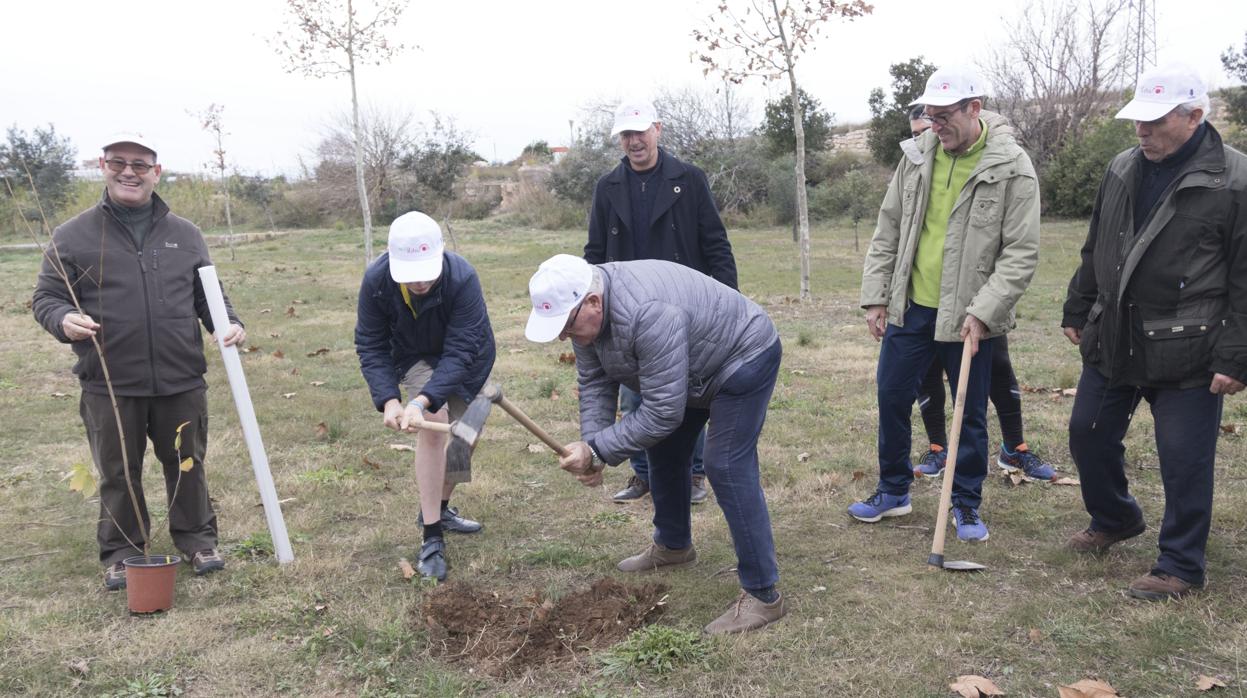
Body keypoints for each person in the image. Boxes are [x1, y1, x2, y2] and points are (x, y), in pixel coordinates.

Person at [1061, 64, 1247, 601]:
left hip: (1190, 345)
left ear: (1194, 117)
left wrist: (1236, 354)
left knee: (1184, 457)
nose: (1141, 131)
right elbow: (1098, 242)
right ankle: (1115, 517)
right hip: (1115, 335)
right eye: (1137, 120)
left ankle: (1180, 565)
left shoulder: (1235, 180)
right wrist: (1078, 303)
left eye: (1155, 121)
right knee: (1087, 434)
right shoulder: (1122, 167)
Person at [526, 254, 783, 634]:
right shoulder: (583, 315)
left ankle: (763, 594)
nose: (564, 336)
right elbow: (596, 384)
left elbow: (663, 411)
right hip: (692, 367)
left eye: (566, 325)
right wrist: (592, 448)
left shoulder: (647, 313)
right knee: (662, 448)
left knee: (725, 464)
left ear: (593, 302)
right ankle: (674, 546)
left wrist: (599, 450)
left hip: (743, 355)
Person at [32, 134, 244, 590]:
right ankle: (124, 551)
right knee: (117, 469)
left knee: (187, 460)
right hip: (109, 380)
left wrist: (229, 323)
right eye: (118, 163)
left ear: (156, 171)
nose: (129, 172)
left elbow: (209, 294)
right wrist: (63, 317)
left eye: (140, 164)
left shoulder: (185, 234)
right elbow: (46, 297)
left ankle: (197, 540)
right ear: (103, 166)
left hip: (180, 376)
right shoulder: (72, 235)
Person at [853, 66, 1040, 542]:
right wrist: (876, 296)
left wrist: (986, 311)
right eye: (929, 117)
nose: (934, 126)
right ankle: (894, 490)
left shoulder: (1012, 167)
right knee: (892, 396)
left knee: (969, 413)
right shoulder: (916, 158)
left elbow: (1021, 252)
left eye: (942, 117)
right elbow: (888, 228)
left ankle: (965, 503)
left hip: (970, 316)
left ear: (974, 108)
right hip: (912, 307)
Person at [584, 99, 738, 505]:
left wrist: (728, 299)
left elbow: (716, 245)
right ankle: (643, 475)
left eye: (640, 132)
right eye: (626, 134)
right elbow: (595, 251)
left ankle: (693, 473)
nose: (634, 141)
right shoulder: (607, 187)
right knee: (634, 393)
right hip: (625, 309)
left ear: (658, 129)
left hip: (681, 306)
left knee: (685, 393)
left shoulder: (688, 179)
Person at [904, 109, 1055, 481]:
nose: (930, 136)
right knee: (928, 375)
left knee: (996, 372)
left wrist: (988, 303)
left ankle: (1014, 449)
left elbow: (1016, 244)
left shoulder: (996, 156)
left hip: (975, 295)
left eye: (932, 127)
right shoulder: (921, 160)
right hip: (925, 297)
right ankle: (939, 448)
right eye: (920, 131)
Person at [355, 211, 495, 582]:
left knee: (466, 438)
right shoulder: (377, 281)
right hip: (415, 356)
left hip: (468, 356)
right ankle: (431, 536)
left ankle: (440, 507)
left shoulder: (462, 277)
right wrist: (390, 399)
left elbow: (462, 349)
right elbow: (370, 344)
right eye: (410, 273)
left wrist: (421, 399)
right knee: (434, 425)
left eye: (426, 272)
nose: (418, 282)